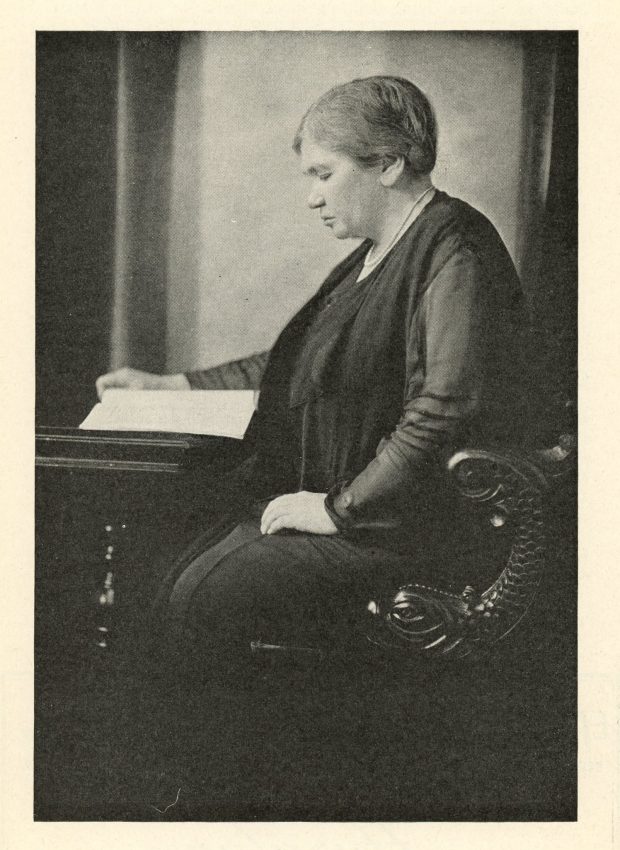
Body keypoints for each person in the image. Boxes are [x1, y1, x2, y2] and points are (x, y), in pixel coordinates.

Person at [97, 76, 529, 685]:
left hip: (405, 529)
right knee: (167, 550)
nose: (312, 198)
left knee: (199, 594)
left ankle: (227, 771)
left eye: (323, 175)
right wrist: (174, 387)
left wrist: (339, 509)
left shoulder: (454, 249)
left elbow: (446, 406)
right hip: (353, 510)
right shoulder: (376, 251)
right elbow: (297, 363)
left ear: (387, 165)